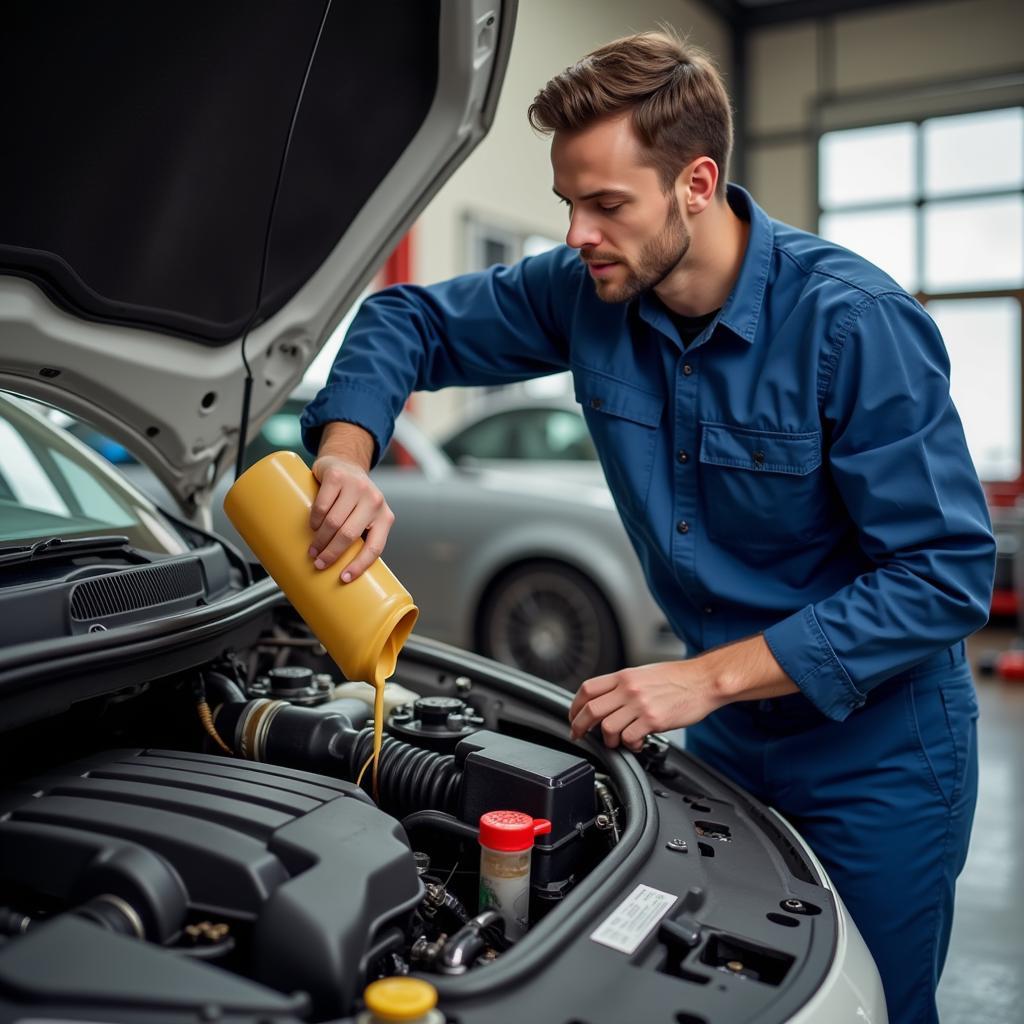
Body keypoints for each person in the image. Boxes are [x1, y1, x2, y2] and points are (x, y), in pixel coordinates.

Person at [300, 29, 994, 1023]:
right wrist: (346, 456)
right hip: (719, 737)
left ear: (696, 183)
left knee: (866, 1003)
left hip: (876, 755)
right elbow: (407, 322)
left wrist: (698, 679)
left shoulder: (853, 324)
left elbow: (941, 575)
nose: (576, 233)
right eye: (566, 204)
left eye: (606, 204)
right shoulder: (587, 291)